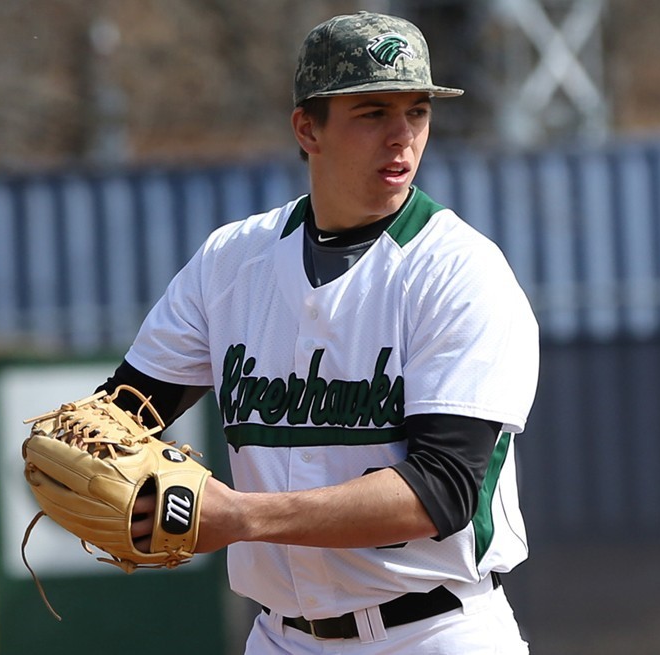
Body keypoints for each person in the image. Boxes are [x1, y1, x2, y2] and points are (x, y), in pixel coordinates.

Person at [98, 11, 539, 654]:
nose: (402, 137)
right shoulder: (231, 261)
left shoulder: (459, 271)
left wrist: (241, 516)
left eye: (416, 111)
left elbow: (441, 490)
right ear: (308, 127)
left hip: (434, 633)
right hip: (282, 638)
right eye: (372, 112)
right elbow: (123, 410)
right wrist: (89, 455)